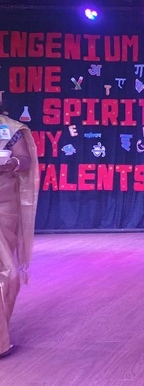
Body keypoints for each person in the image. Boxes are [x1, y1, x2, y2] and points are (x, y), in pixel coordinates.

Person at [0, 105, 39, 358]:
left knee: (8, 273)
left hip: (4, 205)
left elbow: (25, 160)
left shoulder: (9, 128)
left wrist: (10, 163)